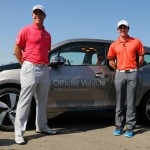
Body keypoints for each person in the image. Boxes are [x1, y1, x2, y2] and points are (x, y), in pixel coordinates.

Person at [14, 5, 56, 145]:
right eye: (35, 12)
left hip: (44, 69)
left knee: (42, 101)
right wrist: (24, 64)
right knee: (24, 102)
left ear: (45, 16)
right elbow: (17, 49)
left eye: (41, 13)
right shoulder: (26, 30)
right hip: (30, 68)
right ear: (32, 15)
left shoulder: (48, 35)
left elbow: (46, 51)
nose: (38, 15)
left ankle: (42, 126)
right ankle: (19, 133)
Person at [107, 20, 144, 137]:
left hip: (132, 73)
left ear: (128, 28)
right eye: (120, 28)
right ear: (118, 30)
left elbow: (141, 57)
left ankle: (130, 128)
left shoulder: (136, 42)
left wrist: (135, 68)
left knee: (131, 102)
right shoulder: (114, 45)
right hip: (119, 74)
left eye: (125, 27)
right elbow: (111, 61)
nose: (122, 30)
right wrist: (119, 68)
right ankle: (119, 126)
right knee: (119, 101)